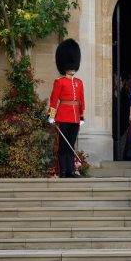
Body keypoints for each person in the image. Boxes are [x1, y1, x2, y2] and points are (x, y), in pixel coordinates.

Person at [49, 38, 86, 178]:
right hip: (63, 115)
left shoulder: (79, 82)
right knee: (63, 146)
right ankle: (63, 171)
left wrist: (82, 117)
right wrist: (51, 116)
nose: (71, 68)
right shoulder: (59, 82)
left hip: (75, 117)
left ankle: (71, 171)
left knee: (71, 144)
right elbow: (54, 100)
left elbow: (82, 101)